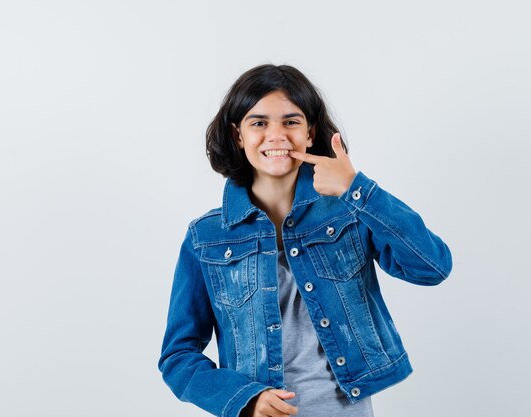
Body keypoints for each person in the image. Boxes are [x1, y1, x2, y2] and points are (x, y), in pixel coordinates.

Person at [158, 64, 452, 417]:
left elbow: (432, 267)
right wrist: (243, 398)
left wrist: (356, 189)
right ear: (238, 135)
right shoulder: (205, 237)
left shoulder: (349, 210)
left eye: (291, 121)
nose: (276, 135)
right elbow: (178, 356)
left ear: (310, 133)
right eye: (259, 122)